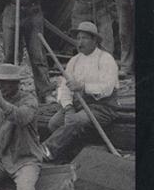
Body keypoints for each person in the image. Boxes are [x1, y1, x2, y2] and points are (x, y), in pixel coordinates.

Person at [42, 21, 119, 162]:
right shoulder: (74, 61)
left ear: (94, 40)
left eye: (84, 38)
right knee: (54, 123)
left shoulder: (106, 59)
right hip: (79, 105)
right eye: (78, 38)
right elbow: (64, 88)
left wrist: (83, 87)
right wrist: (68, 107)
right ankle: (69, 155)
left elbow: (107, 89)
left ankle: (46, 150)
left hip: (102, 107)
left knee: (75, 121)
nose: (80, 42)